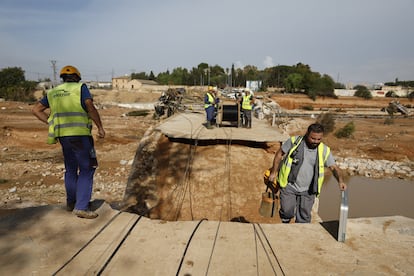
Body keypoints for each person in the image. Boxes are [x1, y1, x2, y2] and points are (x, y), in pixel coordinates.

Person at [32, 65, 105, 219]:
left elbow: (36, 109)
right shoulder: (80, 88)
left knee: (71, 168)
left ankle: (71, 203)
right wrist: (100, 127)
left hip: (63, 136)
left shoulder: (53, 92)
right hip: (81, 136)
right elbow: (89, 105)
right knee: (87, 169)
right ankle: (82, 207)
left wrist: (51, 123)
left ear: (63, 78)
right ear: (77, 77)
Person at [268, 123, 347, 223]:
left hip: (308, 190)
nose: (316, 141)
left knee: (304, 218)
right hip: (289, 185)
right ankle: (285, 227)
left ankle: (300, 235)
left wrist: (340, 181)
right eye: (313, 138)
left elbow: (334, 167)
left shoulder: (324, 150)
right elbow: (279, 154)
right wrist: (274, 172)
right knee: (287, 212)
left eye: (319, 139)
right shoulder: (294, 141)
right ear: (307, 134)